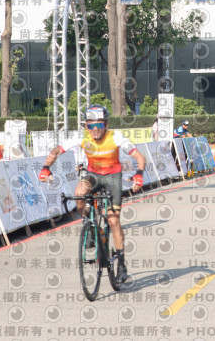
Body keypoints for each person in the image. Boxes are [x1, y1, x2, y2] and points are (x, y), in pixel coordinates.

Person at [38, 104, 146, 283]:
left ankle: (121, 265)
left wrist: (139, 174)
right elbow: (56, 151)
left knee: (113, 221)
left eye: (99, 125)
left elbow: (140, 157)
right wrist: (45, 168)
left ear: (106, 124)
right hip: (93, 175)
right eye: (90, 126)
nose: (95, 130)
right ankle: (88, 223)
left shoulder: (115, 137)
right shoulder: (81, 137)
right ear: (86, 126)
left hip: (112, 177)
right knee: (79, 193)